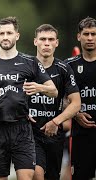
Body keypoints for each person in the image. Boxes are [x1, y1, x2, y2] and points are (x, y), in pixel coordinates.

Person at [0, 17, 58, 180]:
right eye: (1, 33)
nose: (5, 37)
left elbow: (54, 91)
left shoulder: (30, 62)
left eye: (9, 33)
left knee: (27, 176)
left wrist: (39, 87)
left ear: (17, 35)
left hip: (22, 128)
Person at [28, 24, 81, 180]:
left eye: (51, 39)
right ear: (35, 41)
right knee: (36, 174)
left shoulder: (63, 69)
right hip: (30, 134)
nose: (46, 43)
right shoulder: (25, 67)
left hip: (54, 135)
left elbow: (76, 103)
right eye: (42, 39)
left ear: (56, 43)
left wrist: (55, 122)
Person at [64, 17, 96, 180]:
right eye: (86, 34)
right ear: (79, 37)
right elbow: (61, 99)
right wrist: (75, 113)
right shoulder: (68, 65)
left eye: (93, 34)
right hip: (80, 136)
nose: (90, 38)